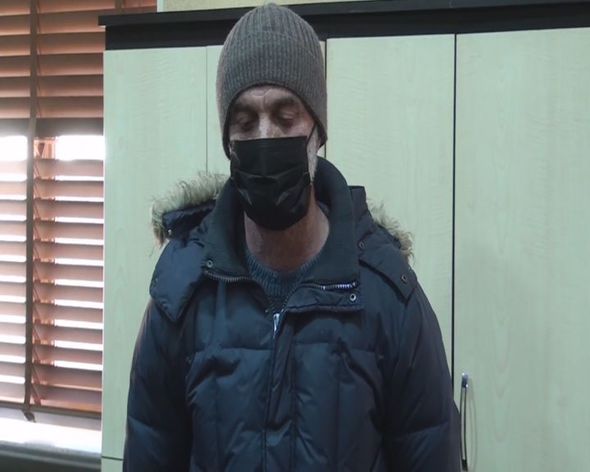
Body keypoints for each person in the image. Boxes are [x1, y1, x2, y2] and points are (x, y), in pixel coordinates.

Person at [123, 3, 460, 471]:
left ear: (317, 131)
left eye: (286, 117)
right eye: (245, 122)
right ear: (228, 142)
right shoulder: (182, 294)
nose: (265, 136)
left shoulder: (388, 299)